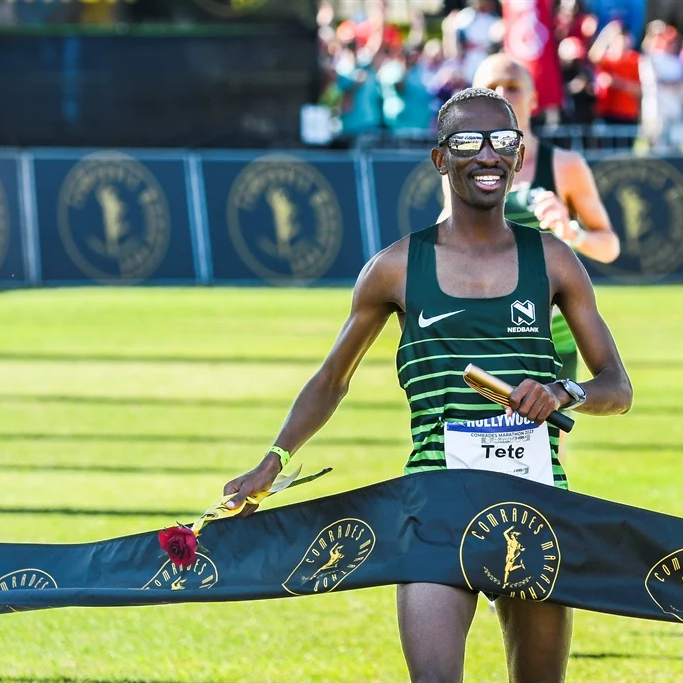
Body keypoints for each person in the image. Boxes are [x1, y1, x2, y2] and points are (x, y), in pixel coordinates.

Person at [222, 87, 633, 682]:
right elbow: (331, 379)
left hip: (535, 501)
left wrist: (564, 394)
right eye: (468, 141)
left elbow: (616, 387)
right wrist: (273, 460)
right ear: (440, 159)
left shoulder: (555, 261)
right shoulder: (394, 268)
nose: (487, 155)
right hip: (435, 504)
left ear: (520, 158)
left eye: (504, 142)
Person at [440, 53, 620, 411]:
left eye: (513, 87)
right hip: (483, 330)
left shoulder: (564, 165)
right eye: (491, 88)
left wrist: (572, 233)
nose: (503, 94)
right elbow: (445, 244)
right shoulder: (460, 164)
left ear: (535, 98)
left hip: (550, 335)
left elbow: (609, 246)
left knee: (548, 447)